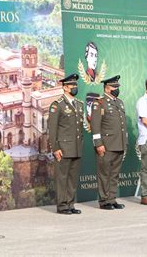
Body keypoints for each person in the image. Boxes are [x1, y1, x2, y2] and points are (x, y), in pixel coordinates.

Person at [48, 73, 84, 214]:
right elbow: (52, 129)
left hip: (76, 147)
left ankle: (70, 204)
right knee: (62, 178)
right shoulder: (57, 105)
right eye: (72, 85)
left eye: (76, 85)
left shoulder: (79, 105)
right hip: (63, 148)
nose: (75, 87)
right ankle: (62, 205)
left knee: (72, 178)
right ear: (64, 87)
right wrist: (55, 148)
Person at [90, 75, 127, 210]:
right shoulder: (99, 103)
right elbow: (95, 125)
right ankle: (104, 201)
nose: (117, 89)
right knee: (104, 174)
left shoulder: (119, 102)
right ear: (107, 88)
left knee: (114, 174)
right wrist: (98, 144)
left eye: (117, 87)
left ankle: (112, 199)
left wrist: (124, 143)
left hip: (118, 144)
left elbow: (122, 125)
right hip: (106, 145)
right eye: (114, 87)